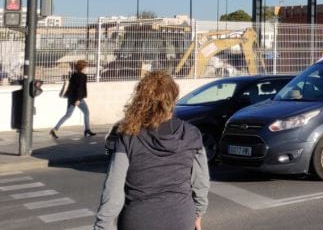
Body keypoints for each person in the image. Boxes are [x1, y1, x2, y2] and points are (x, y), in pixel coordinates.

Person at [94, 72, 209, 230]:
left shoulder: (129, 135)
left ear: (141, 100)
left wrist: (103, 226)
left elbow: (113, 190)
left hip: (138, 220)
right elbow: (201, 183)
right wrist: (198, 214)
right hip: (181, 218)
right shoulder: (192, 134)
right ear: (174, 99)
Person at [51, 60, 94, 138]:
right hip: (78, 98)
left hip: (71, 97)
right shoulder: (82, 76)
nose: (87, 68)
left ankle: (54, 129)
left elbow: (72, 88)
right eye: (86, 67)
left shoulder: (74, 75)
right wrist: (78, 99)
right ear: (83, 67)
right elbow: (79, 88)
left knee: (68, 115)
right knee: (86, 113)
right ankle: (87, 130)